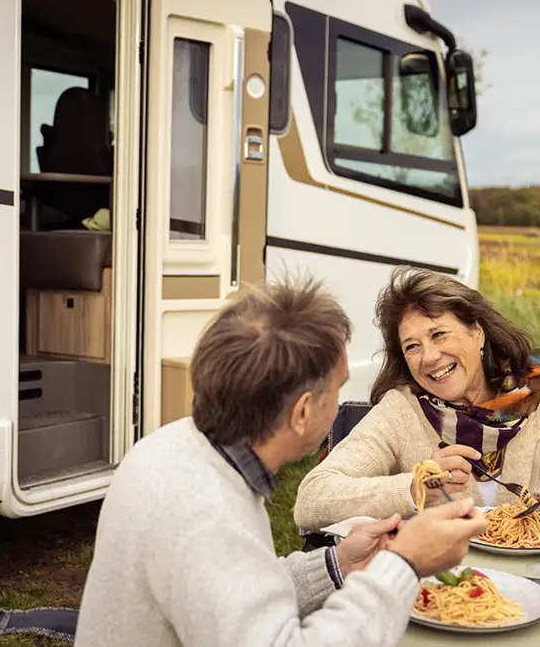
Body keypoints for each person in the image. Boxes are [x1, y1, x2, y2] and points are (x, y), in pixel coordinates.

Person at [74, 274, 488, 647]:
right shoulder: (205, 512)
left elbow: (236, 590)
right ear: (303, 412)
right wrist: (403, 564)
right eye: (338, 388)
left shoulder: (177, 447)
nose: (340, 403)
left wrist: (337, 563)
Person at [293, 266, 540, 532]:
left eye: (438, 334)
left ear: (478, 333)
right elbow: (312, 499)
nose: (429, 357)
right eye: (412, 347)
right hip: (444, 585)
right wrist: (415, 488)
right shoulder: (403, 409)